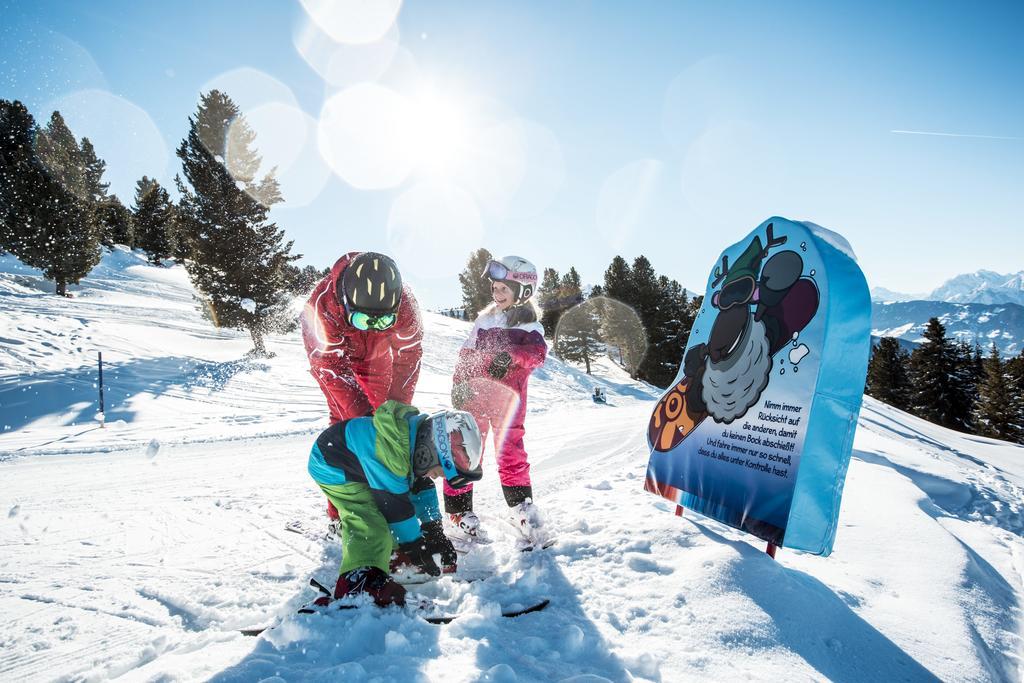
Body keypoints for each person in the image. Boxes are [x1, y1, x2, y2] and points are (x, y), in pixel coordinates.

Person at [307, 401, 483, 607]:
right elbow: (396, 510)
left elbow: (421, 488)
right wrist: (416, 547)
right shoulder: (392, 454)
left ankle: (390, 556)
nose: (434, 477)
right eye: (437, 472)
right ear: (427, 455)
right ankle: (357, 583)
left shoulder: (408, 444)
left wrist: (433, 529)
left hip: (357, 464)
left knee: (399, 506)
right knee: (370, 522)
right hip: (333, 467)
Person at [301, 252, 423, 524]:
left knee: (392, 424)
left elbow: (409, 357)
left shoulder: (405, 305)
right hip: (335, 361)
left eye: (381, 321)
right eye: (362, 320)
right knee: (349, 427)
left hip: (377, 357)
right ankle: (341, 513)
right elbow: (328, 367)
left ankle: (397, 499)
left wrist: (396, 410)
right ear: (345, 302)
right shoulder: (323, 306)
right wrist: (363, 419)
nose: (370, 327)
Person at [448, 255, 548, 547]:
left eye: (504, 289)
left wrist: (512, 355)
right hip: (475, 399)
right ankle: (458, 513)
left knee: (511, 455)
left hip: (508, 403)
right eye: (495, 287)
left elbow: (537, 356)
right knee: (465, 451)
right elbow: (466, 354)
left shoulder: (531, 327)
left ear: (523, 292)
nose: (496, 293)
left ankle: (521, 508)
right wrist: (459, 384)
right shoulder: (484, 321)